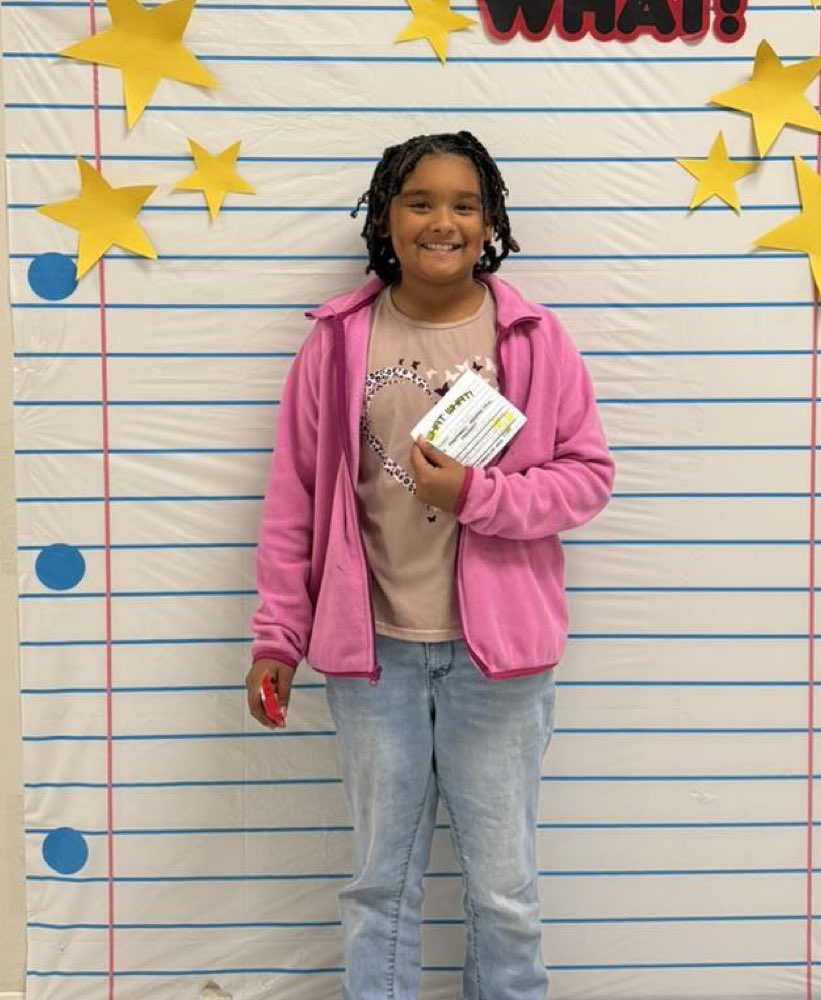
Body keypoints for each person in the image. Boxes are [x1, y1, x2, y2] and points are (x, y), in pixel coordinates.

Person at [246, 131, 614, 1000]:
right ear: (384, 216)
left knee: (504, 891)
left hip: (503, 663)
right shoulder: (336, 344)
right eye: (419, 201)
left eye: (463, 204)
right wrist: (276, 638)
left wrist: (480, 497)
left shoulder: (532, 340)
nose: (441, 220)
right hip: (372, 654)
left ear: (490, 222)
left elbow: (587, 478)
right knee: (380, 883)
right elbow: (294, 503)